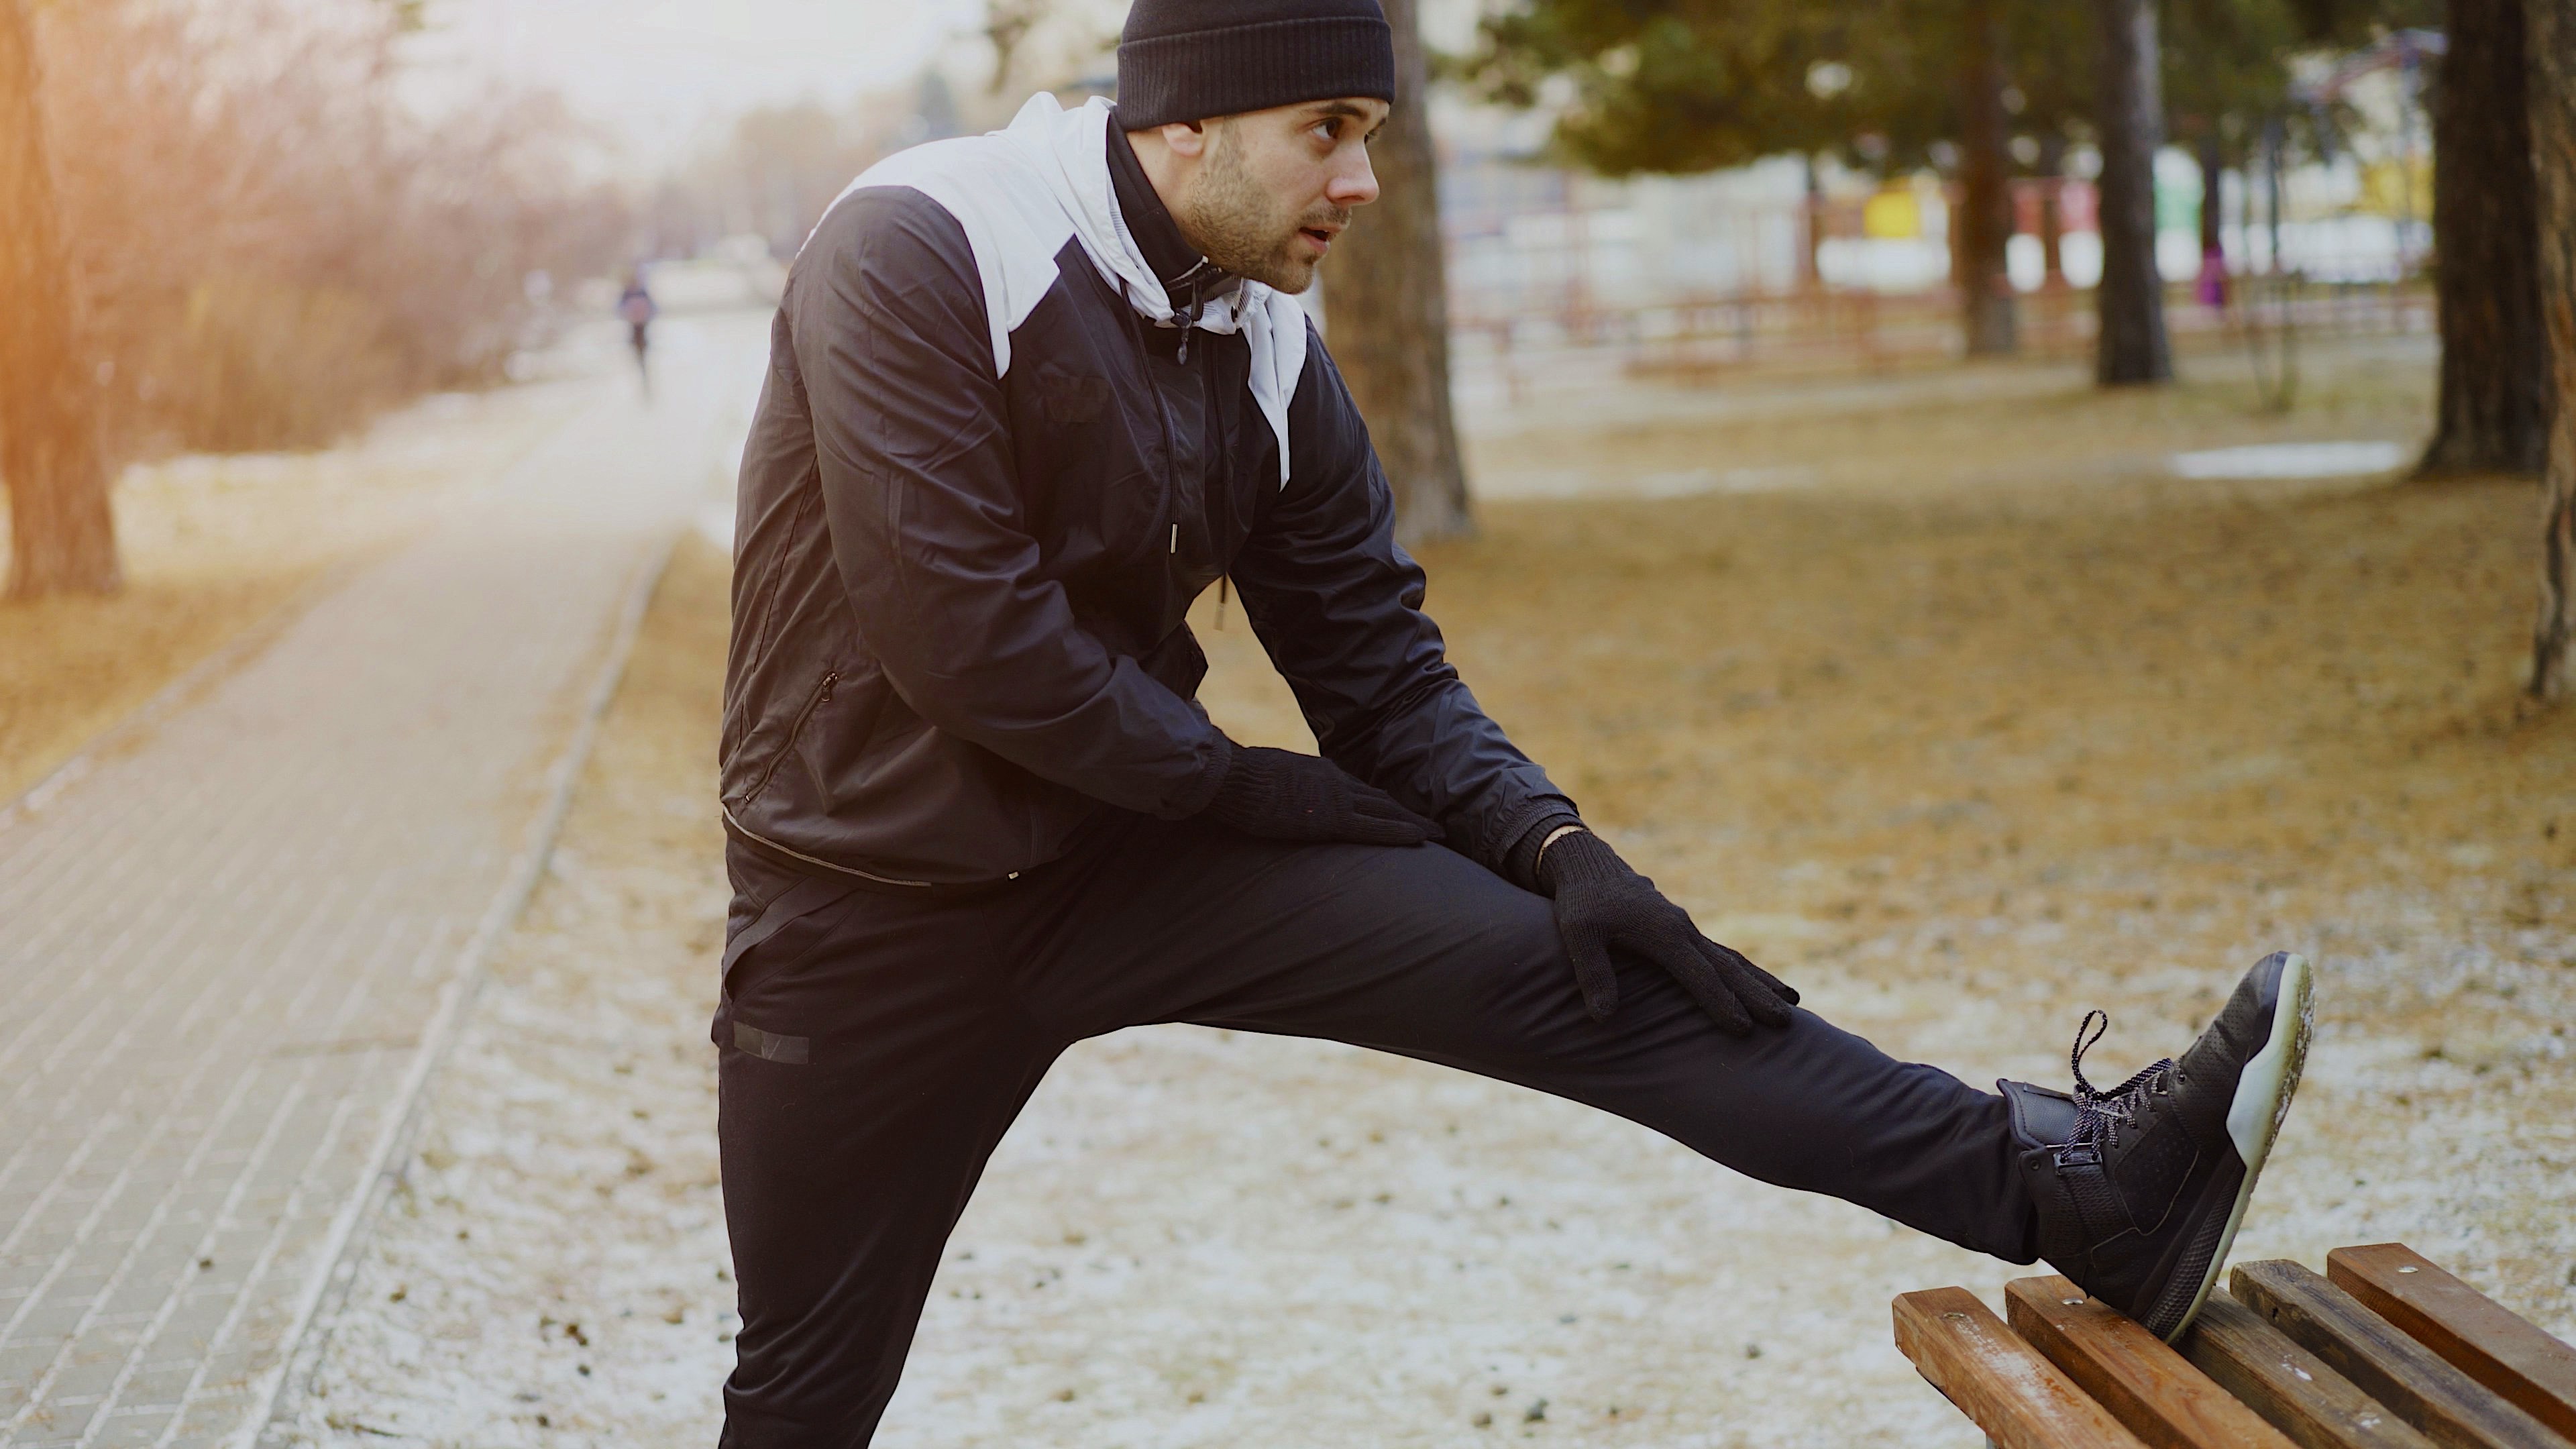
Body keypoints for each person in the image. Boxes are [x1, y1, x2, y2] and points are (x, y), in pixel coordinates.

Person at [710, 1, 2315, 1442]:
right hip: (866, 908)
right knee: (806, 1391)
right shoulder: (923, 243)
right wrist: (1232, 789)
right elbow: (958, 631)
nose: (1361, 183)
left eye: (1371, 136)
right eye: (1324, 134)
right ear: (1180, 118)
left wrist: (1559, 847)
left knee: (1599, 963)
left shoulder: (1260, 329)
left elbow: (1376, 665)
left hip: (1126, 848)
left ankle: (2078, 1187)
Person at [619, 270, 656, 394]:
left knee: (642, 353)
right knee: (638, 353)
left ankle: (644, 375)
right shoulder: (628, 294)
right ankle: (642, 374)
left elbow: (653, 308)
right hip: (634, 328)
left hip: (642, 328)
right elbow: (620, 310)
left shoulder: (641, 293)